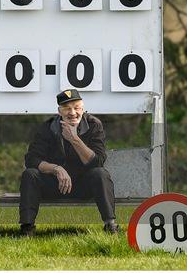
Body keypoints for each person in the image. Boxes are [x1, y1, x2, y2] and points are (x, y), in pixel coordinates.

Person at [19, 89, 119, 236]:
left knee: (100, 173)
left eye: (76, 108)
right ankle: (27, 228)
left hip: (82, 185)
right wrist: (56, 169)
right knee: (30, 174)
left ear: (83, 109)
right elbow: (31, 160)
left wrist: (74, 139)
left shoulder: (94, 125)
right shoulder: (48, 127)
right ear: (59, 111)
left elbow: (97, 161)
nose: (72, 113)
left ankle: (110, 225)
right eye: (67, 109)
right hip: (54, 185)